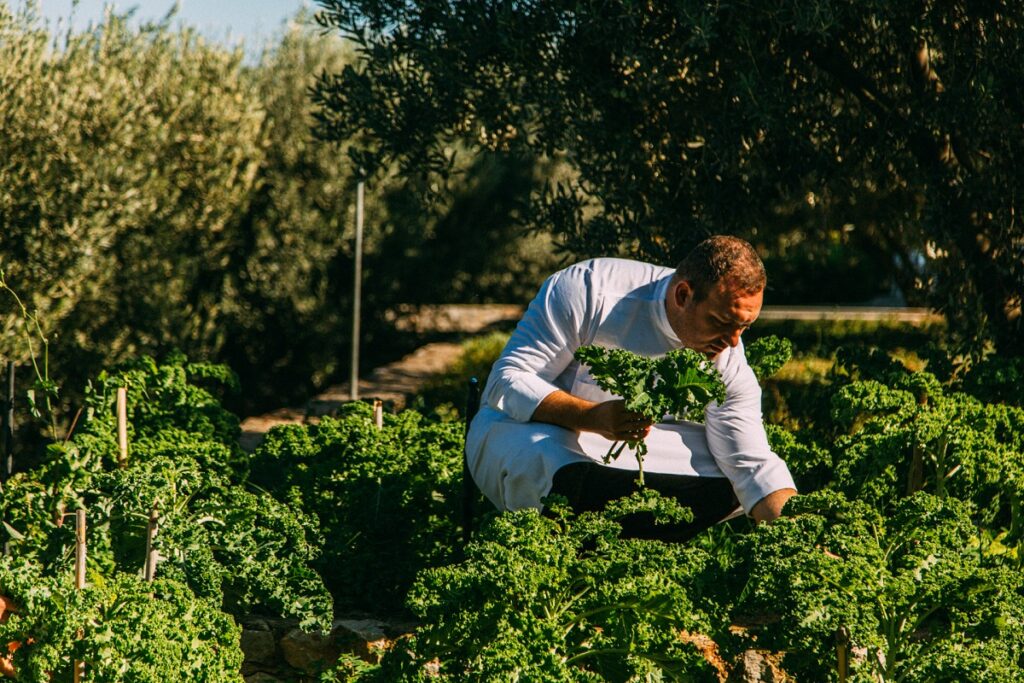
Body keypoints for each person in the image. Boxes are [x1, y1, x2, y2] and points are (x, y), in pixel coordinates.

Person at [466, 235, 797, 541]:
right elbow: (506, 381)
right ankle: (559, 550)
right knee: (550, 459)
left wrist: (806, 546)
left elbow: (751, 462)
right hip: (522, 434)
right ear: (683, 295)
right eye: (722, 322)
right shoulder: (590, 290)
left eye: (744, 326)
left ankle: (638, 548)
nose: (733, 341)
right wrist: (592, 416)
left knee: (735, 475)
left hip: (620, 455)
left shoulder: (726, 352)